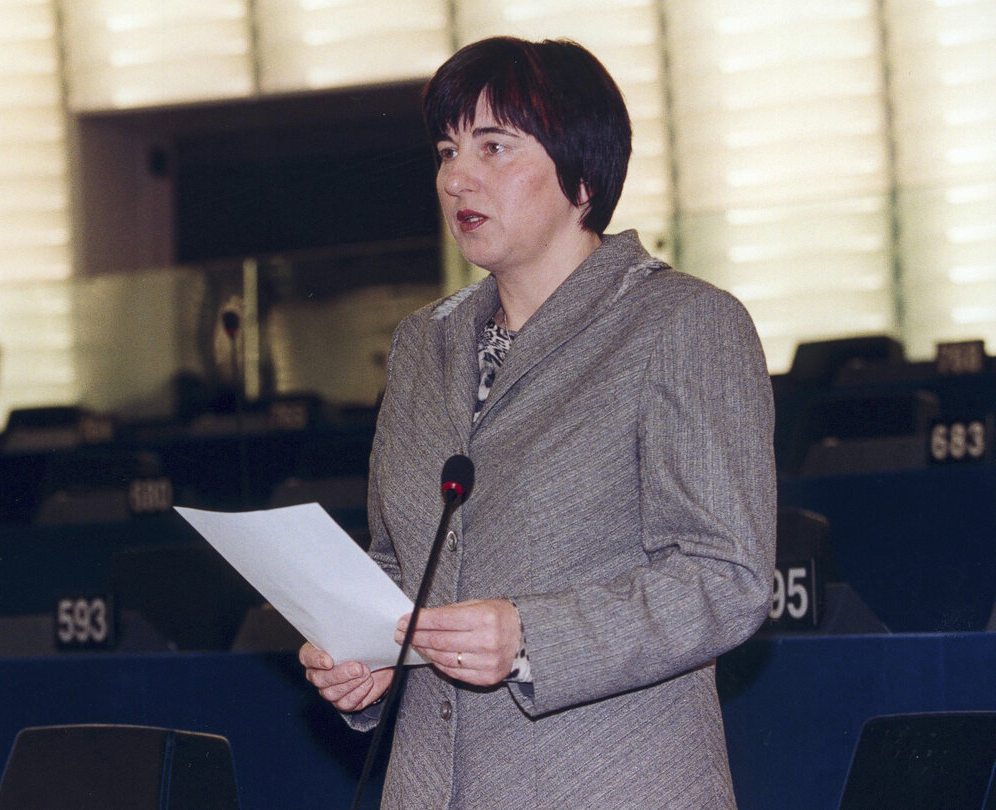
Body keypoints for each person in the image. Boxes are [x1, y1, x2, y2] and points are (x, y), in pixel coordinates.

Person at [299, 36, 776, 809]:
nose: (458, 176)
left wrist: (532, 639)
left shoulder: (681, 324)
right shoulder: (424, 344)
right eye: (448, 150)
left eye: (494, 147)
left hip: (610, 783)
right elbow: (402, 561)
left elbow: (728, 577)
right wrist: (366, 658)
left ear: (582, 175)